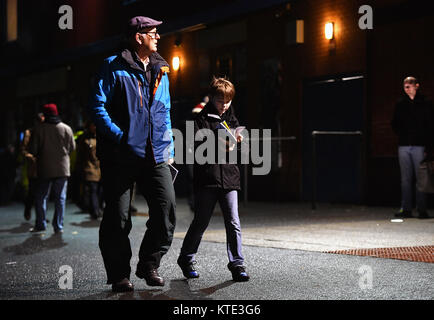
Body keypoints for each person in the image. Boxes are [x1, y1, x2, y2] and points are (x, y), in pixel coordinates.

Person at [88, 16, 176, 293]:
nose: (158, 37)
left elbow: (165, 110)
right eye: (154, 33)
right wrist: (119, 136)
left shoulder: (162, 69)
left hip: (156, 153)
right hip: (121, 155)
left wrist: (168, 146)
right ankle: (119, 274)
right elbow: (97, 106)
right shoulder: (113, 67)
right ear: (139, 37)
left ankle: (149, 264)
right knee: (118, 216)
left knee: (166, 211)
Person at [177, 77, 250, 282]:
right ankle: (186, 258)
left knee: (233, 221)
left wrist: (240, 142)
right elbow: (196, 149)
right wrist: (220, 143)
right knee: (201, 221)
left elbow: (242, 150)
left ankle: (237, 264)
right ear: (211, 98)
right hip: (207, 179)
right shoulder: (200, 118)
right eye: (220, 101)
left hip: (229, 177)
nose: (224, 105)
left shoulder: (231, 118)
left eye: (228, 101)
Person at [391, 76, 433, 219]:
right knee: (406, 179)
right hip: (404, 145)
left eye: (410, 85)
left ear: (417, 86)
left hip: (419, 145)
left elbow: (430, 125)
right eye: (405, 86)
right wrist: (402, 134)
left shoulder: (425, 103)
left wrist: (428, 145)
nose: (407, 88)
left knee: (421, 178)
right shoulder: (400, 103)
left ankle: (422, 209)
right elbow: (394, 123)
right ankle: (406, 208)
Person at [30, 103, 76, 233]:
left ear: (45, 115)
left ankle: (41, 224)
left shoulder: (39, 129)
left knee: (41, 197)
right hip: (62, 168)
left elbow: (33, 149)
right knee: (60, 198)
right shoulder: (66, 128)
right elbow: (72, 147)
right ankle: (58, 226)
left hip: (45, 168)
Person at [20, 113, 45, 221]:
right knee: (32, 191)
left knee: (42, 193)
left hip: (44, 166)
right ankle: (28, 209)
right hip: (34, 166)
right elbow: (23, 150)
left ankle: (41, 216)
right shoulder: (29, 133)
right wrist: (31, 157)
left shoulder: (45, 132)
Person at [76, 121, 103, 220]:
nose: (95, 127)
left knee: (99, 191)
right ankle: (95, 211)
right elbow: (80, 155)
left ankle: (98, 209)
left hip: (100, 168)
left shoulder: (101, 136)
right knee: (93, 190)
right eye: (93, 125)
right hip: (89, 167)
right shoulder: (84, 138)